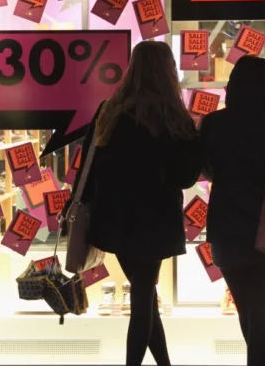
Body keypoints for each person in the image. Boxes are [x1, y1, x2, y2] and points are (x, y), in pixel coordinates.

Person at [69, 41, 201, 366]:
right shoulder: (174, 118)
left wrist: (77, 202)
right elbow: (186, 177)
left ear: (133, 69)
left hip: (114, 219)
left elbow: (89, 166)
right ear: (169, 72)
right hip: (156, 222)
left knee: (144, 294)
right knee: (144, 294)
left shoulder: (109, 112)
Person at [199, 56, 265, 366]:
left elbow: (204, 170)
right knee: (261, 312)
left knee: (248, 312)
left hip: (225, 230)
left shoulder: (213, 124)